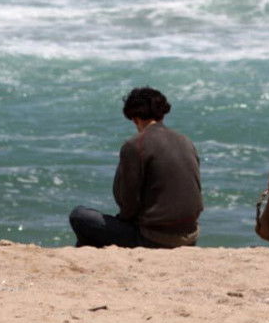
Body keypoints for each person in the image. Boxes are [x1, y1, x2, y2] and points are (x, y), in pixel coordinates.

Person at [69, 87, 202, 248]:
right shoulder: (186, 141)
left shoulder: (135, 145)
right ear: (162, 113)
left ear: (134, 118)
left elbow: (128, 204)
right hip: (190, 237)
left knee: (79, 216)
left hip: (154, 238)